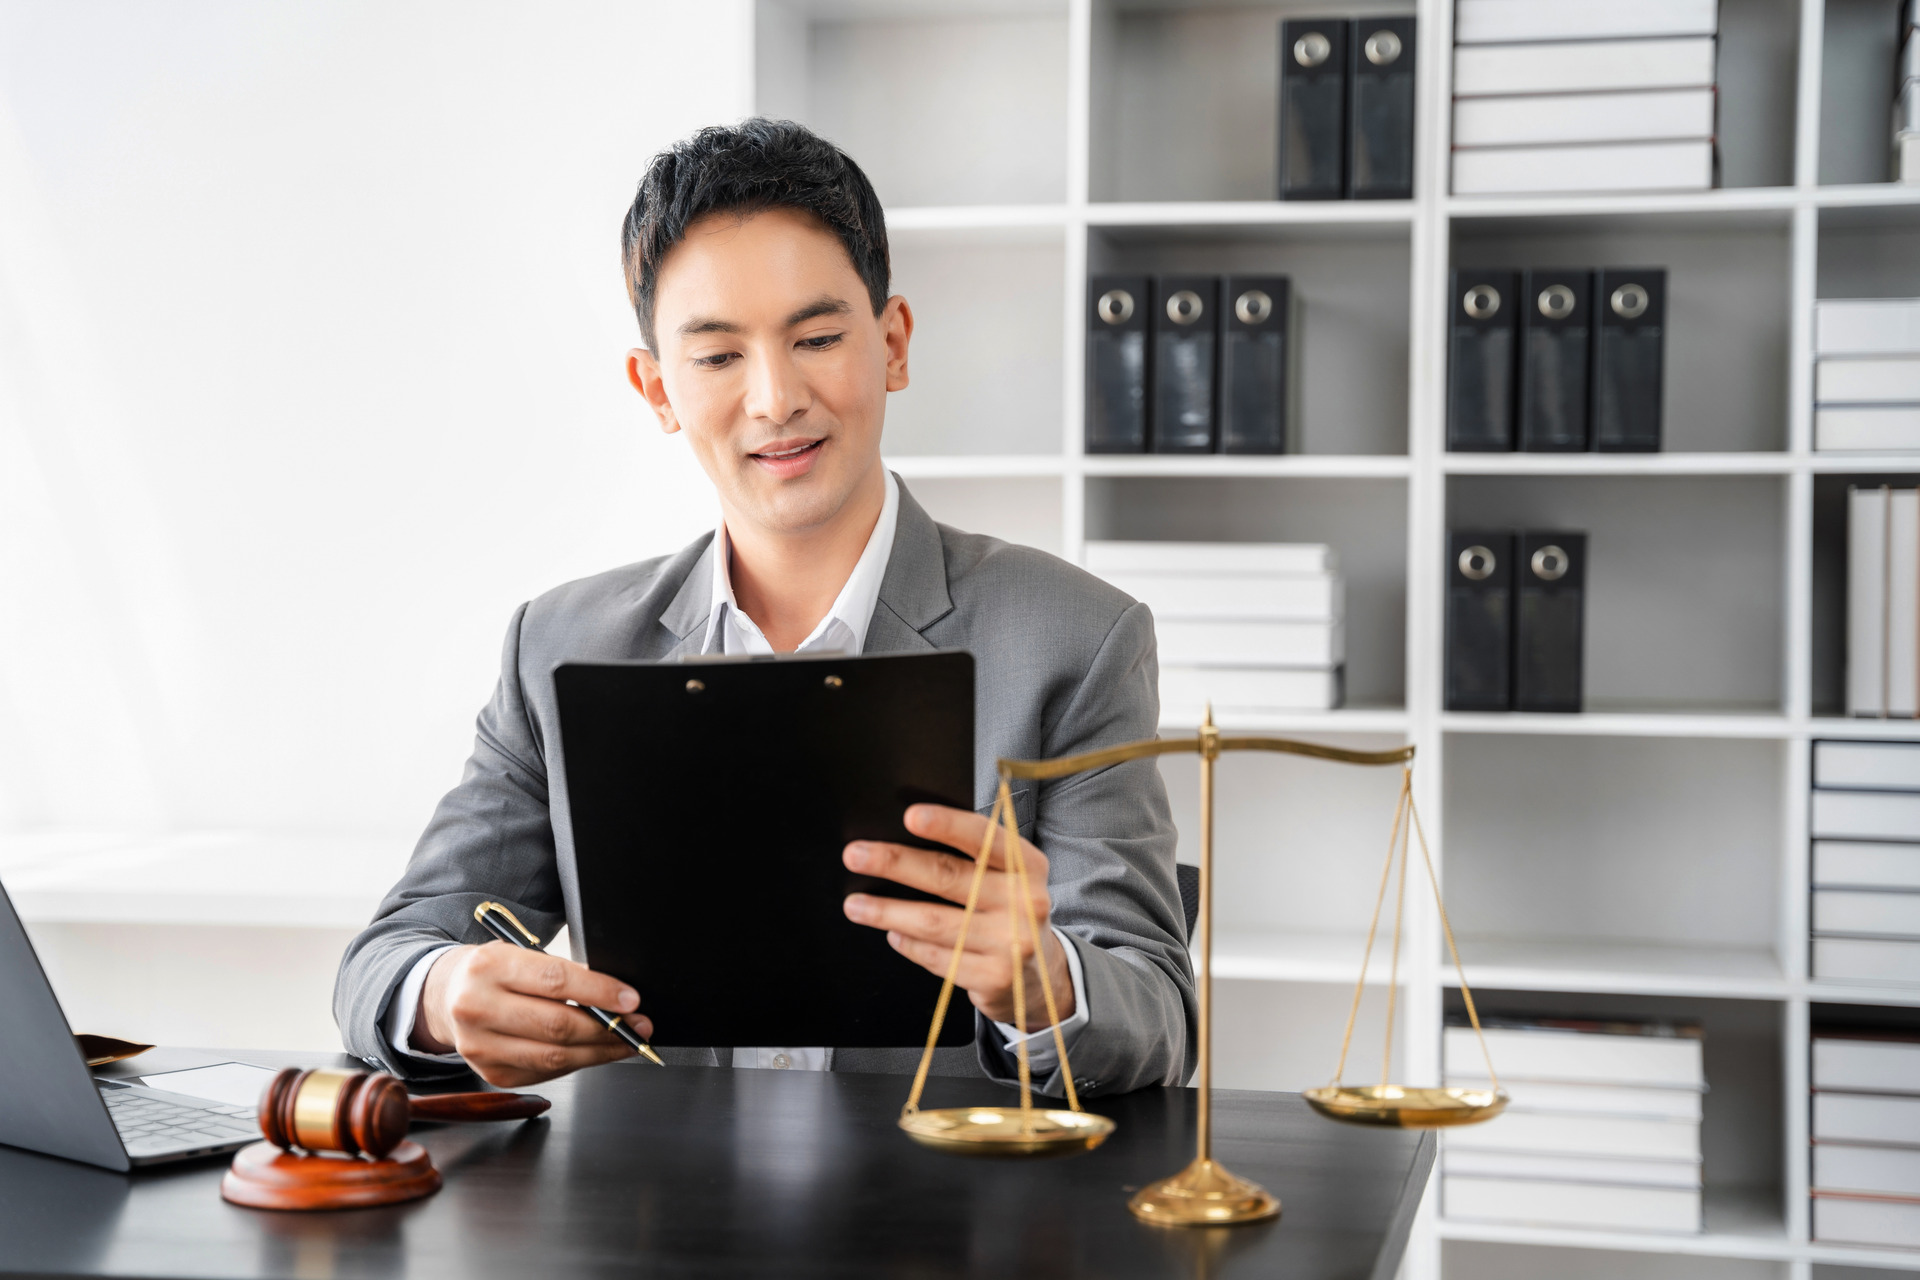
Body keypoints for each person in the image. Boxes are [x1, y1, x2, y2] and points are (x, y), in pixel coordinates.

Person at [334, 118, 1194, 1097]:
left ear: (894, 343)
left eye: (818, 338)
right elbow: (384, 959)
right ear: (656, 388)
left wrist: (1040, 981)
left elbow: (1157, 1014)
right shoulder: (558, 648)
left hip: (944, 1227)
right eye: (717, 357)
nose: (776, 397)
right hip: (646, 1227)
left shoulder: (1075, 640)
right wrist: (442, 992)